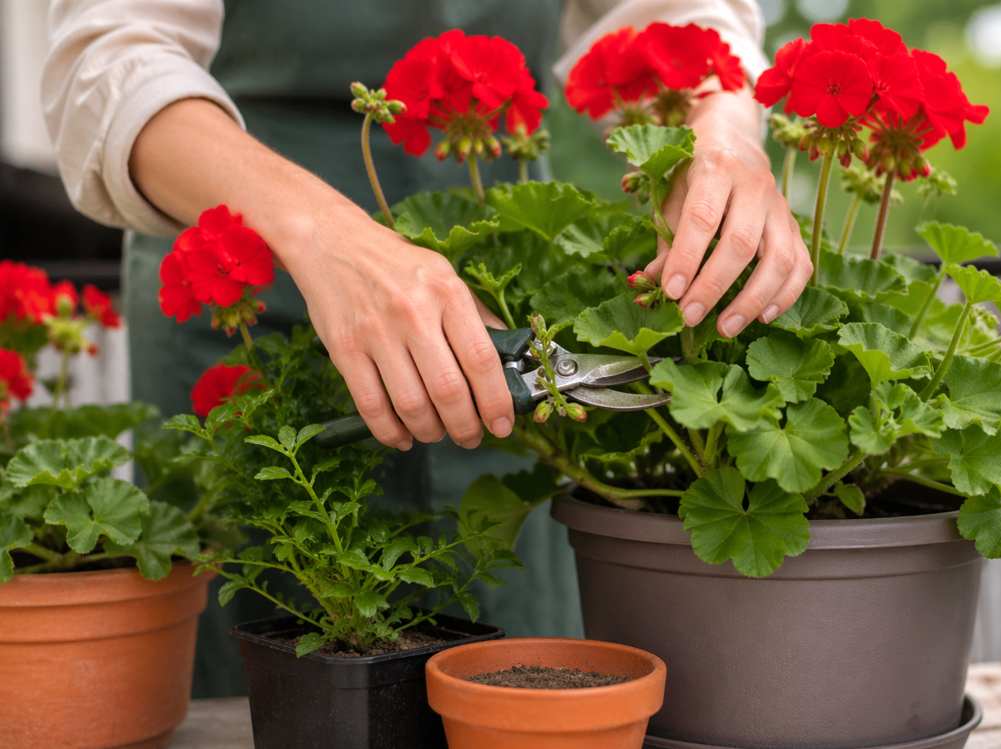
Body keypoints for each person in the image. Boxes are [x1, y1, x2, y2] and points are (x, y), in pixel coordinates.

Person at [42, 0, 812, 696]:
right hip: (241, 270)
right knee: (262, 676)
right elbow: (107, 61)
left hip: (495, 270)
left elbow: (667, 11)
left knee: (517, 672)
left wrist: (718, 133)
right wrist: (325, 237)